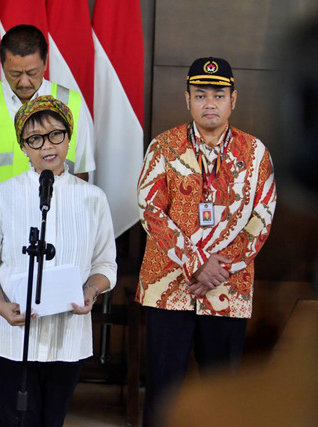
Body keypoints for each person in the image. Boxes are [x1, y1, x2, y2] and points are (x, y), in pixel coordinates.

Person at [0, 24, 95, 426]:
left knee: (41, 359)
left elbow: (81, 177)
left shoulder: (69, 103)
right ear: (2, 65)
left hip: (53, 256)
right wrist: (2, 223)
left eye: (32, 72)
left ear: (45, 63)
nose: (25, 81)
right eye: (15, 73)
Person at [136, 57, 277, 427]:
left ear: (234, 99)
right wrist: (195, 261)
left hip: (228, 291)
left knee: (223, 393)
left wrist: (219, 267)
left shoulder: (256, 152)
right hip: (168, 287)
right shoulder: (163, 147)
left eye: (218, 94)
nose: (209, 103)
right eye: (200, 95)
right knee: (164, 392)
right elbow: (150, 210)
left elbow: (261, 220)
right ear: (187, 100)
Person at [0, 95, 117, 426]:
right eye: (34, 138)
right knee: (17, 420)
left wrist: (90, 292)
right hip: (10, 336)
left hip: (67, 336)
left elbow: (105, 265)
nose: (46, 145)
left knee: (52, 421)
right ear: (23, 146)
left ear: (69, 136)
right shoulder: (1, 195)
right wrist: (0, 306)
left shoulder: (93, 198)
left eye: (55, 134)